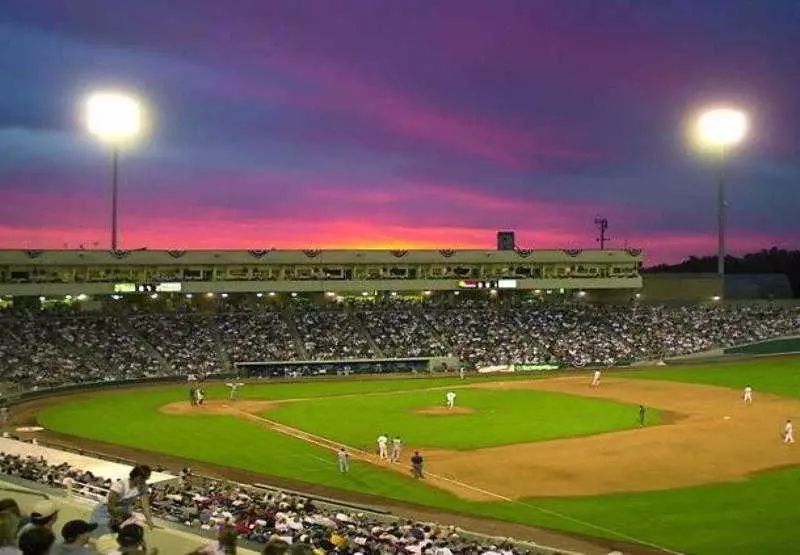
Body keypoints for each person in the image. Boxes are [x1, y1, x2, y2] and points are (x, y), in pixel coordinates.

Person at [90, 466, 156, 536]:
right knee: (95, 534)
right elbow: (111, 507)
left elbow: (145, 506)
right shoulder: (120, 485)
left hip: (121, 512)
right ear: (138, 477)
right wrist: (124, 517)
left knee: (115, 537)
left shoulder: (143, 487)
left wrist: (149, 520)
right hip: (104, 510)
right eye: (145, 478)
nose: (145, 481)